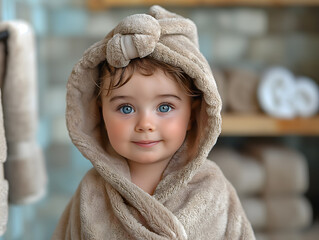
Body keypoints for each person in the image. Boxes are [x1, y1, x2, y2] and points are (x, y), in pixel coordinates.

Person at [52, 5, 255, 239]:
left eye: (165, 107)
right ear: (101, 114)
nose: (145, 124)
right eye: (125, 108)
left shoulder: (212, 188)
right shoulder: (91, 191)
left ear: (192, 115)